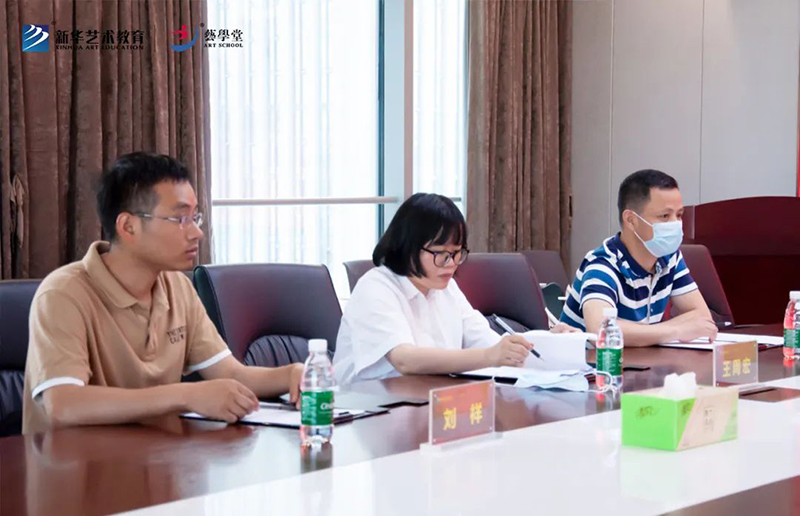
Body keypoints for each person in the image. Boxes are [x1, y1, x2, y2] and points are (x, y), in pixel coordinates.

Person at [23, 152, 303, 434]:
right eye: (180, 218)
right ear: (128, 226)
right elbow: (64, 404)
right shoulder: (63, 294)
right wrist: (185, 395)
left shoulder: (178, 287)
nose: (197, 233)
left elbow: (230, 373)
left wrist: (293, 374)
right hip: (75, 459)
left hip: (153, 453)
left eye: (195, 218)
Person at [333, 193, 574, 384]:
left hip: (427, 402)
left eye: (457, 253)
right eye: (441, 254)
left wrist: (546, 342)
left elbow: (489, 343)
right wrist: (490, 356)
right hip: (370, 413)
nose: (452, 264)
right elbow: (405, 360)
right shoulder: (376, 287)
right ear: (408, 247)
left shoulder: (445, 288)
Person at [560, 169, 717, 346]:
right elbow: (601, 329)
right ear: (631, 220)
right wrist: (676, 330)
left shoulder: (669, 257)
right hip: (592, 362)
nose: (675, 224)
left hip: (637, 359)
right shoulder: (603, 265)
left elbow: (702, 317)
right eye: (665, 216)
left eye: (679, 215)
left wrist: (650, 333)